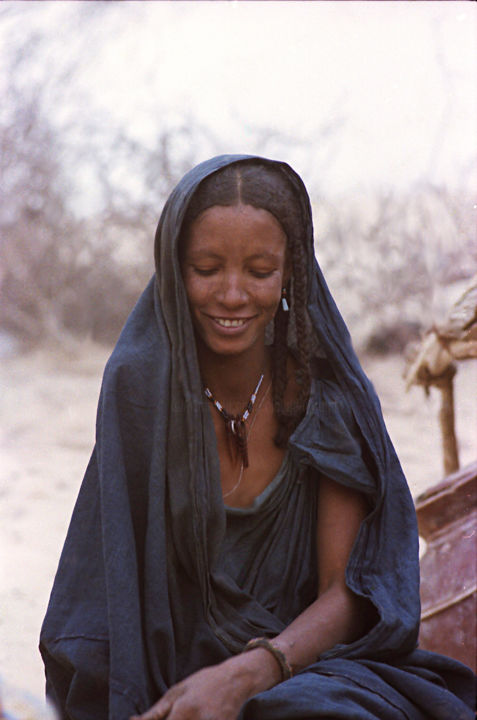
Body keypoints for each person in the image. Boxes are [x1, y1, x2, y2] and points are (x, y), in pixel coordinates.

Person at [40, 155, 475, 720]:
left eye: (259, 270)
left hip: (307, 668)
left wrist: (251, 672)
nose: (232, 294)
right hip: (161, 669)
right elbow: (105, 583)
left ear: (291, 270)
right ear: (174, 267)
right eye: (206, 267)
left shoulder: (326, 397)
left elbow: (345, 592)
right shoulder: (141, 389)